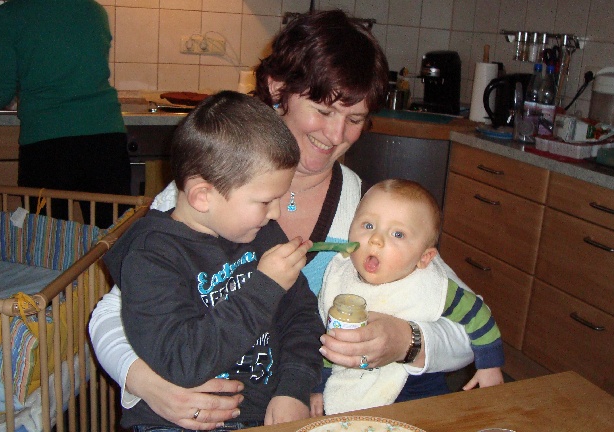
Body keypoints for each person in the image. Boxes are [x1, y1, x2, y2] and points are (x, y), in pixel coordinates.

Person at [89, 9, 475, 430]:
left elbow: (466, 329)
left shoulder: (368, 211)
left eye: (355, 119)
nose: (336, 135)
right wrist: (147, 384)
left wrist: (406, 341)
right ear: (278, 89)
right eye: (323, 110)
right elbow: (111, 314)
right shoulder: (211, 188)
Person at [103, 91, 324, 431]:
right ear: (203, 196)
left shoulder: (262, 234)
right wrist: (264, 287)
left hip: (260, 414)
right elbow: (183, 362)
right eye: (265, 201)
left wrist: (294, 389)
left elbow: (302, 316)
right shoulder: (151, 258)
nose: (276, 213)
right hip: (174, 423)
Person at [316, 179, 505, 415]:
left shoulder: (429, 286)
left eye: (398, 233)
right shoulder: (339, 277)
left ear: (424, 258)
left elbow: (477, 313)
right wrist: (319, 386)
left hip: (419, 391)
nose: (376, 239)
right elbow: (327, 338)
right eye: (368, 225)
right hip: (350, 386)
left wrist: (490, 364)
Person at [0, 0, 130, 228]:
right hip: (106, 139)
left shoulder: (10, 15)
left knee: (47, 239)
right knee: (113, 237)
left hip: (48, 144)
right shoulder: (93, 10)